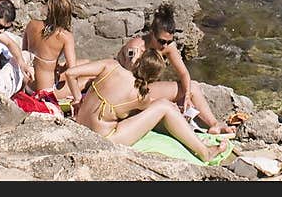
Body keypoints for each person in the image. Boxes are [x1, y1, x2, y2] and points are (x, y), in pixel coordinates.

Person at [66, 48, 231, 162]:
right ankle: (205, 152)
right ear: (153, 78)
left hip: (82, 124)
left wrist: (77, 99)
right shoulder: (140, 96)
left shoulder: (111, 65)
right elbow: (151, 113)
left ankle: (199, 144)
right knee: (165, 106)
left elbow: (70, 73)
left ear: (138, 61)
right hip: (105, 138)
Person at [138, 2, 234, 133]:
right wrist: (158, 101)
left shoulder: (167, 47)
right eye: (161, 41)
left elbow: (184, 73)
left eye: (169, 41)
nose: (165, 46)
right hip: (135, 91)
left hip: (149, 89)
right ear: (152, 33)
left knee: (192, 87)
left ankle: (214, 124)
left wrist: (187, 96)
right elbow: (127, 83)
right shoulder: (138, 48)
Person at [22, 0, 81, 103]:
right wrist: (77, 98)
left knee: (84, 62)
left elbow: (24, 54)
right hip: (46, 91)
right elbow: (72, 71)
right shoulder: (65, 36)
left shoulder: (31, 24)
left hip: (28, 85)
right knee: (88, 78)